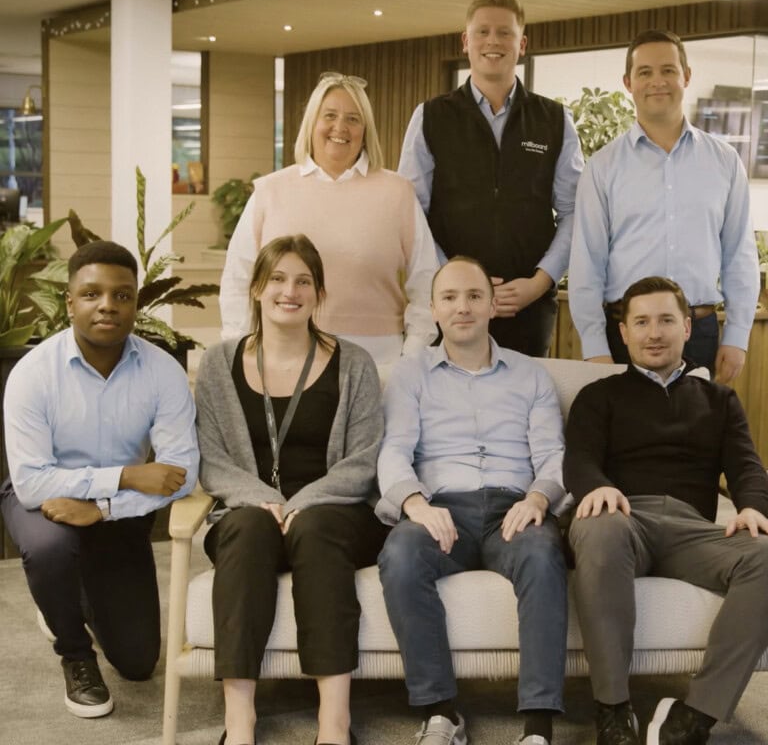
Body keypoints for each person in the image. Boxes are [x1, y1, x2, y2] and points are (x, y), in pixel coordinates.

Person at [197, 234, 388, 745]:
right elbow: (211, 460)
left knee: (315, 529)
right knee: (247, 528)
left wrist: (301, 503)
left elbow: (364, 460)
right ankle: (240, 722)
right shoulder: (217, 365)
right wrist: (266, 502)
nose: (290, 291)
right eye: (278, 279)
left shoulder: (354, 364)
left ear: (319, 294)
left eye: (304, 281)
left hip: (335, 514)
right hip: (250, 511)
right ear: (256, 288)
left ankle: (334, 723)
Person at [564, 276, 768, 745]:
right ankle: (613, 711)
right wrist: (598, 488)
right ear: (624, 333)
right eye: (641, 322)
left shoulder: (720, 400)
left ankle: (694, 717)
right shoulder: (599, 395)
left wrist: (753, 508)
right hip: (622, 519)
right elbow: (578, 459)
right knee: (599, 529)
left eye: (665, 321)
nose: (653, 333)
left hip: (690, 530)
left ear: (686, 327)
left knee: (765, 555)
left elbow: (746, 466)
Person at [1, 240, 199, 718]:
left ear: (136, 303)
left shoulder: (162, 371)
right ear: (70, 302)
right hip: (45, 500)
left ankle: (71, 595)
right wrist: (127, 475)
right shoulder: (33, 374)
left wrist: (104, 508)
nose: (107, 305)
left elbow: (181, 474)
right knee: (50, 547)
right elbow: (32, 484)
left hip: (117, 511)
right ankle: (75, 654)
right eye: (91, 294)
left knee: (138, 663)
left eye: (121, 295)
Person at [376, 256, 568, 745]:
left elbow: (553, 455)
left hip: (514, 507)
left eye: (474, 296)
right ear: (434, 309)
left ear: (491, 307)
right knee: (400, 554)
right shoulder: (410, 374)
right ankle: (441, 712)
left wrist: (538, 499)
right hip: (441, 509)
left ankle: (538, 727)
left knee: (543, 555)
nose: (462, 307)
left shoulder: (530, 374)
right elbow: (394, 450)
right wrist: (416, 505)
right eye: (449, 297)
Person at [398, 0, 584, 357]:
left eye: (504, 32)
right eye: (482, 32)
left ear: (522, 44)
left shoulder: (554, 120)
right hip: (451, 306)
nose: (492, 41)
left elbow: (574, 212)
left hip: (526, 307)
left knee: (526, 395)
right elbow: (410, 213)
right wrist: (454, 281)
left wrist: (539, 282)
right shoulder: (431, 117)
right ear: (466, 41)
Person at [568, 29, 760, 384]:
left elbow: (739, 256)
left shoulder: (724, 161)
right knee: (626, 423)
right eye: (645, 72)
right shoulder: (603, 167)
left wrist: (737, 336)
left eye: (668, 70)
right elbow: (587, 263)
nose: (657, 81)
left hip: (698, 334)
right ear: (628, 83)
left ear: (686, 76)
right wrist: (594, 346)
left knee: (697, 423)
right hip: (625, 334)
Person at [219, 71, 439, 368]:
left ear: (365, 129)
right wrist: (241, 352)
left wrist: (411, 358)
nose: (340, 127)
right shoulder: (269, 191)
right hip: (282, 358)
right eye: (330, 115)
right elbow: (238, 279)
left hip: (379, 361)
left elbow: (427, 282)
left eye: (353, 118)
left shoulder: (398, 192)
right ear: (312, 122)